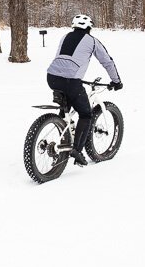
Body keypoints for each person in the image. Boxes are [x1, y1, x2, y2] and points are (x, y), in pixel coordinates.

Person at [46, 14, 123, 166]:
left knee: (66, 109)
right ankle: (77, 150)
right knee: (86, 114)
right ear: (89, 28)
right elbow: (107, 61)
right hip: (71, 81)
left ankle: (63, 131)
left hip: (52, 77)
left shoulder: (65, 36)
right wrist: (116, 81)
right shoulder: (92, 41)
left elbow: (62, 59)